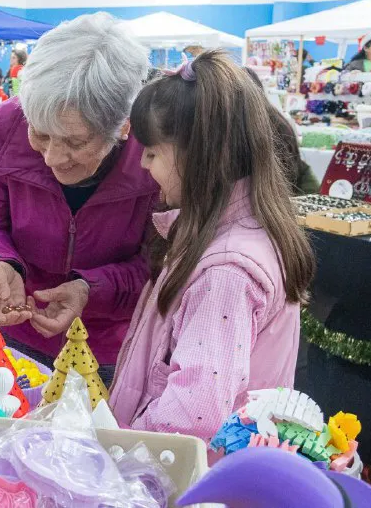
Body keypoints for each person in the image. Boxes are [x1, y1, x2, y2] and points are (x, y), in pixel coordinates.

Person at [109, 51, 315, 447]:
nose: (145, 165)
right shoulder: (230, 234)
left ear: (200, 155)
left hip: (184, 478)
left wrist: (123, 452)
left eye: (152, 152)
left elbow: (193, 413)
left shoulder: (226, 271)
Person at [0, 13, 158, 385]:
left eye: (76, 143)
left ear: (123, 127)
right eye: (41, 134)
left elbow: (163, 262)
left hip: (109, 347)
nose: (53, 159)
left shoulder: (156, 153)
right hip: (18, 331)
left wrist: (90, 290)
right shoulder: (2, 127)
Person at [244, 67, 319, 195]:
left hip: (286, 195)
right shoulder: (273, 118)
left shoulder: (263, 123)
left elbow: (281, 175)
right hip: (292, 191)